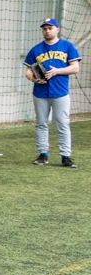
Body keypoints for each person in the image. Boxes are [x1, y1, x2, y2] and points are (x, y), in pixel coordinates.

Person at [24, 18, 81, 168]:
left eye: (50, 28)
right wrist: (34, 79)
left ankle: (66, 156)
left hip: (60, 92)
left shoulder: (67, 46)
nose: (47, 30)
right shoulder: (36, 49)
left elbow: (75, 67)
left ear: (57, 29)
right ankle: (43, 154)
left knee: (62, 123)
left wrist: (57, 71)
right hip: (40, 92)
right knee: (41, 123)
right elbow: (28, 71)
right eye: (44, 28)